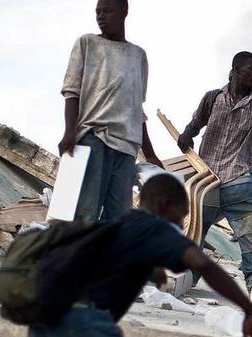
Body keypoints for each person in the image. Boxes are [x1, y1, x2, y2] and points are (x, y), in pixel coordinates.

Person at [26, 174, 252, 337]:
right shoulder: (158, 228)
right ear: (163, 205)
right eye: (181, 216)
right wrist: (249, 309)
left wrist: (151, 269)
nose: (182, 223)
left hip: (43, 327)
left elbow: (116, 258)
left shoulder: (123, 221)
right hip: (82, 325)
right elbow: (202, 263)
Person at [177, 51, 252, 291]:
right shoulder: (212, 98)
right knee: (194, 230)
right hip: (206, 180)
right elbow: (196, 123)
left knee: (251, 232)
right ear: (235, 70)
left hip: (240, 179)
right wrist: (186, 135)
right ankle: (188, 274)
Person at [59, 0, 163, 222]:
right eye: (97, 12)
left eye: (107, 11)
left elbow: (137, 108)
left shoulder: (138, 55)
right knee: (85, 214)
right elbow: (72, 92)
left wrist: (151, 153)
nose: (101, 16)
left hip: (127, 148)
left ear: (124, 12)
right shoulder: (87, 44)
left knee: (117, 221)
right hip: (94, 139)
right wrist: (69, 132)